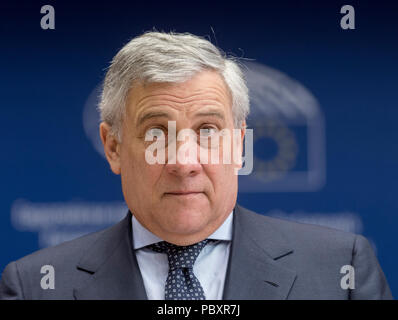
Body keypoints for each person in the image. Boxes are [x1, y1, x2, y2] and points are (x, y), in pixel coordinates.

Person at [0, 31, 392, 300]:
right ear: (114, 146)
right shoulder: (35, 286)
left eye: (207, 130)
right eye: (157, 133)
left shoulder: (342, 272)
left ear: (239, 144)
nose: (185, 162)